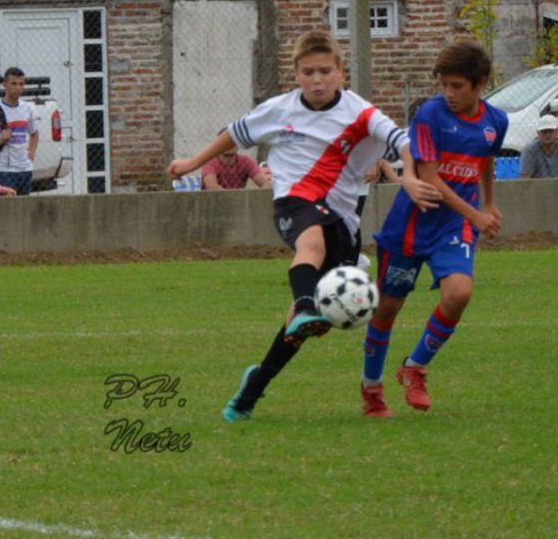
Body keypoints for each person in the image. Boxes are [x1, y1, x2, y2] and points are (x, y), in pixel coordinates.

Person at [167, 29, 432, 422]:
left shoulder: (360, 112)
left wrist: (408, 175)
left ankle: (253, 387)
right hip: (294, 199)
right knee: (311, 247)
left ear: (342, 71)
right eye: (308, 72)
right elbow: (233, 134)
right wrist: (191, 162)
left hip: (343, 219)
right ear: (296, 74)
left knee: (301, 327)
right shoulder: (280, 109)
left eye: (325, 71)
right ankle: (308, 304)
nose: (317, 80)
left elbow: (404, 140)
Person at [360, 40, 507, 417]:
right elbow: (432, 180)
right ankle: (371, 388)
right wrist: (477, 215)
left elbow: (485, 162)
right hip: (410, 226)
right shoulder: (430, 115)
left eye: (457, 86)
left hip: (453, 227)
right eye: (444, 85)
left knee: (459, 293)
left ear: (480, 84)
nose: (448, 93)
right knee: (386, 310)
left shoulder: (496, 121)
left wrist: (488, 202)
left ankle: (415, 367)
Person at [0, 67, 38, 196]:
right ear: (5, 85)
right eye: (13, 84)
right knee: (6, 210)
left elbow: (34, 133)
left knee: (25, 208)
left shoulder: (26, 108)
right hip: (4, 169)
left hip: (25, 169)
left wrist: (32, 151)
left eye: (21, 84)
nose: (18, 88)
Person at [519, 114, 558, 179]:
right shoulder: (529, 150)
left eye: (551, 131)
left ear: (557, 132)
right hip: (536, 187)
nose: (548, 135)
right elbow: (524, 181)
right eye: (544, 131)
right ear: (537, 133)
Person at [201, 147, 270, 190]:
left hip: (239, 204)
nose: (229, 145)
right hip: (213, 205)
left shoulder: (246, 161)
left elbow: (264, 183)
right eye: (225, 143)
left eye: (232, 141)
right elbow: (212, 188)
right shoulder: (210, 163)